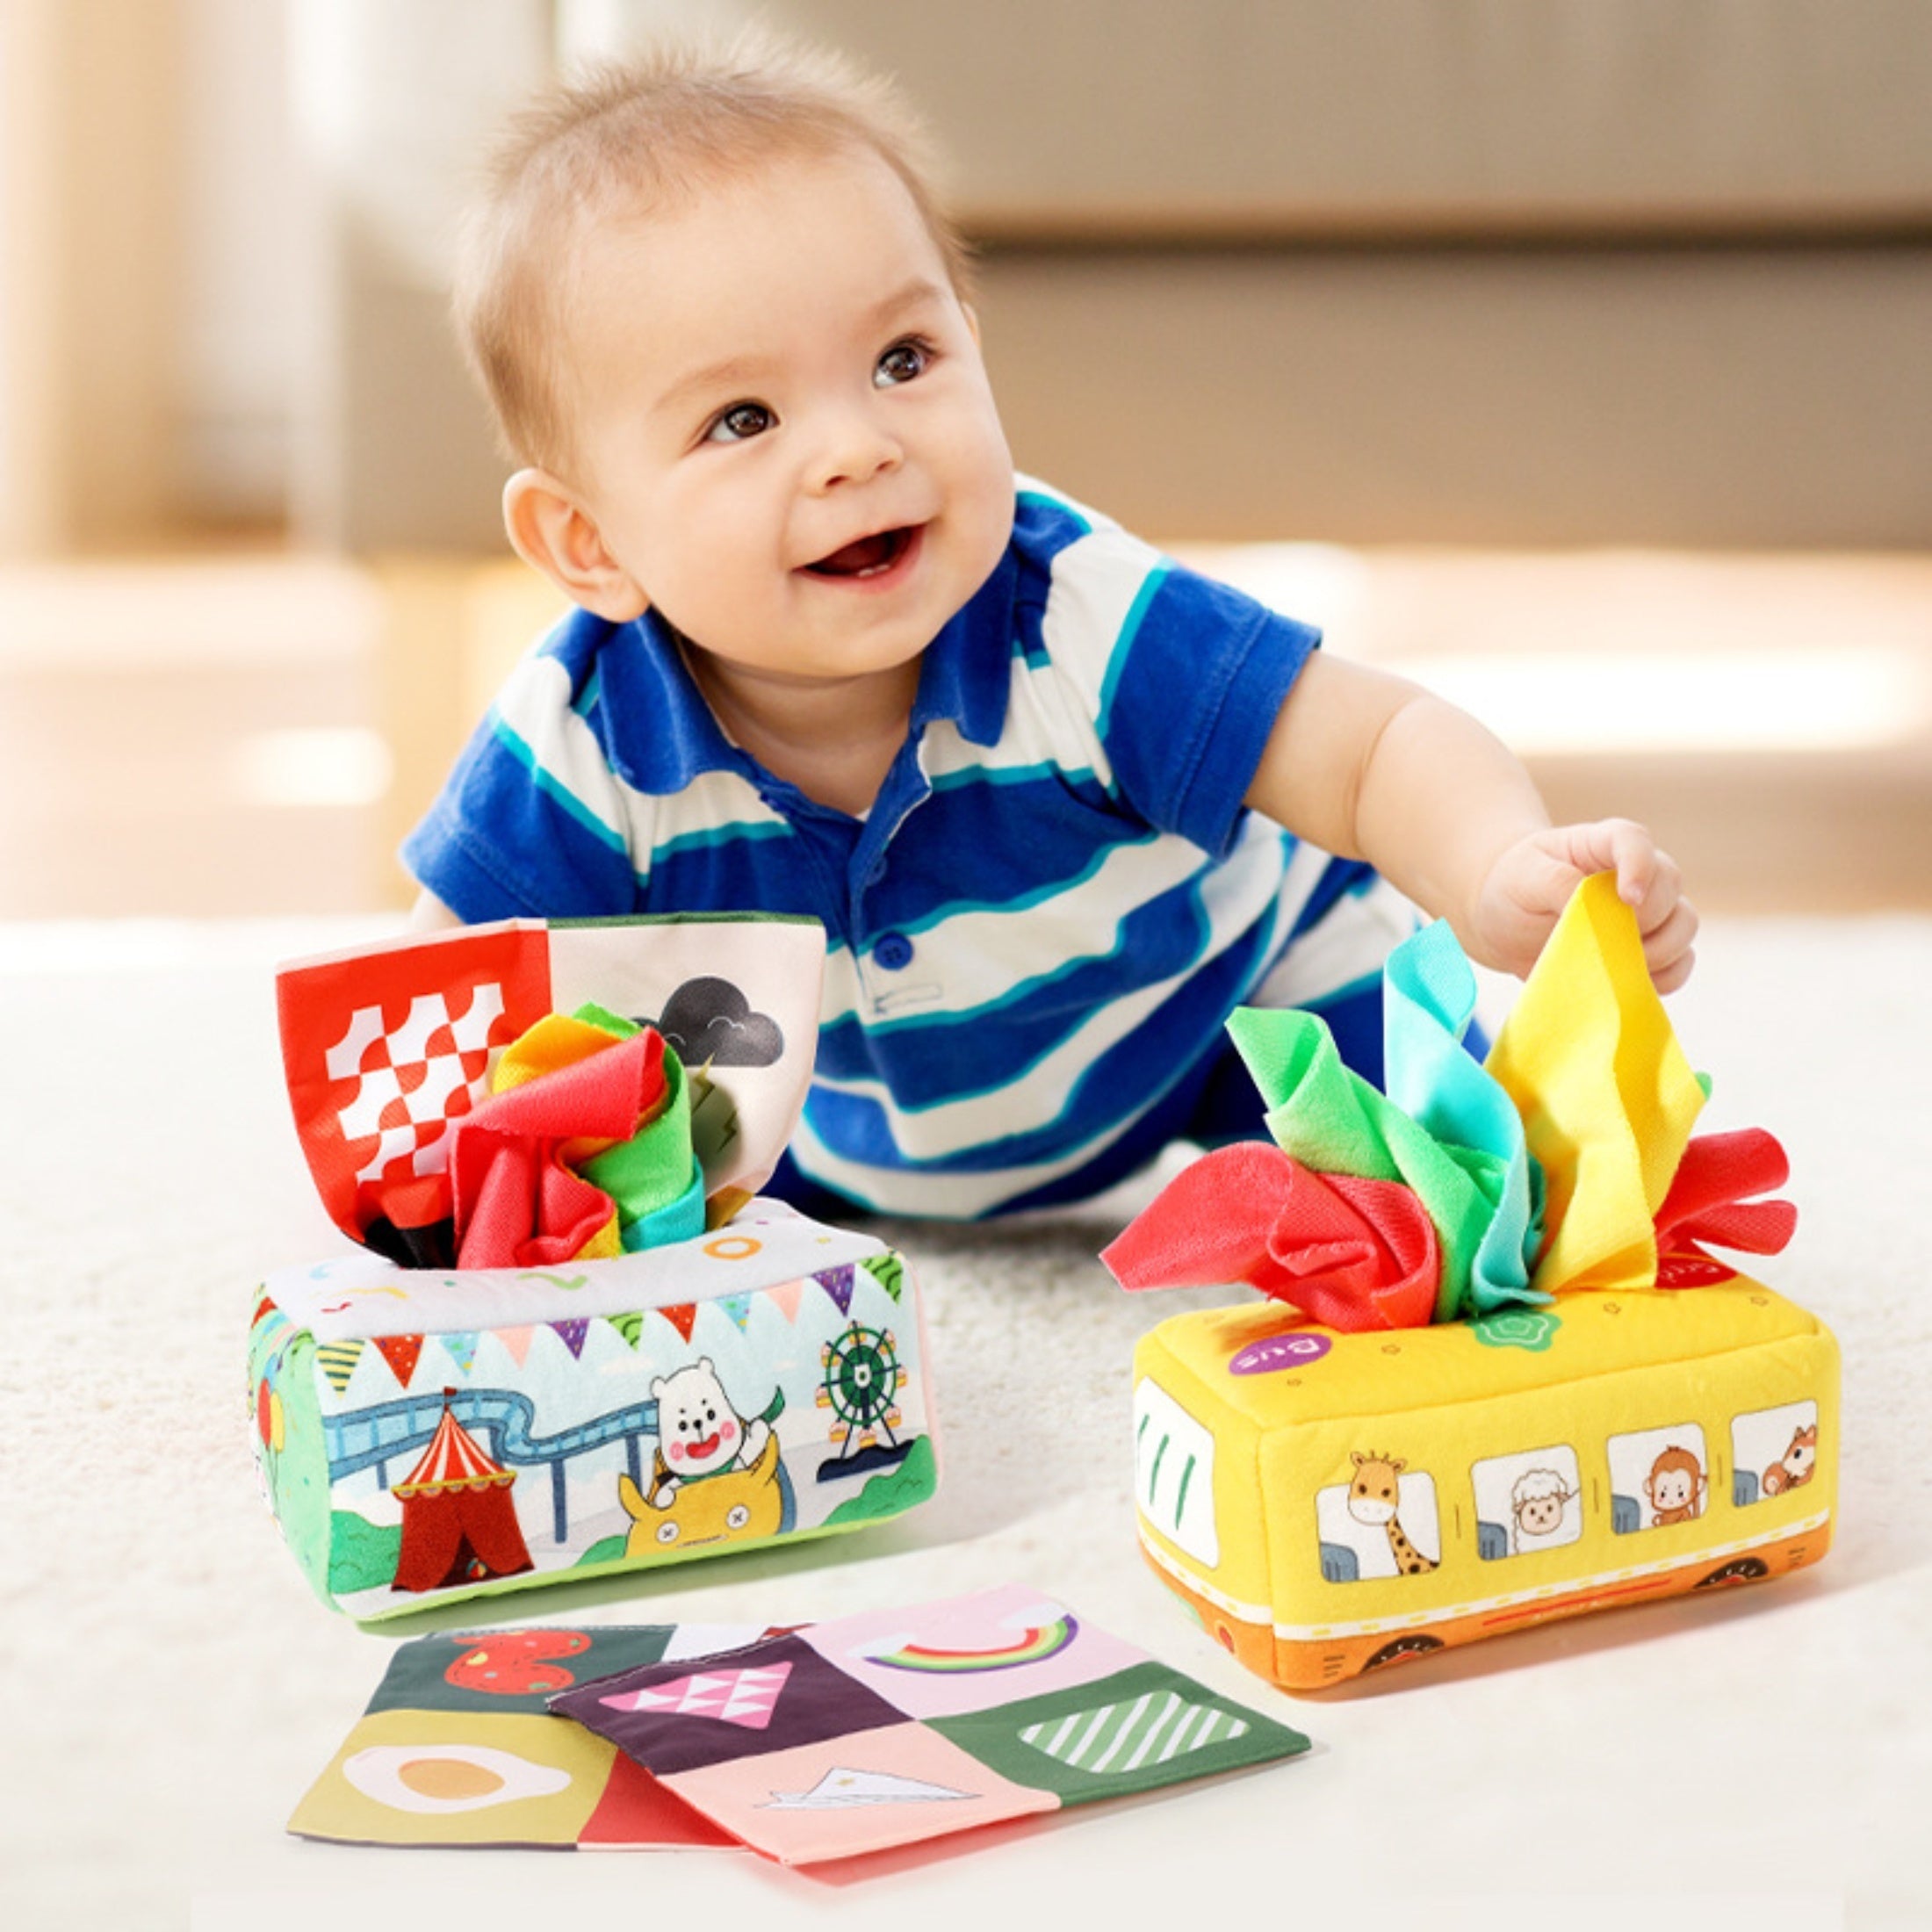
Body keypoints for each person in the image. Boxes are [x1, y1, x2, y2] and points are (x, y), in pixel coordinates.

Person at [405, 34, 1697, 1222]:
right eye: (743, 420)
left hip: (1228, 1014)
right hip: (838, 1137)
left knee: (1477, 1194)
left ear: (972, 340)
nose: (860, 448)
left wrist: (1491, 868)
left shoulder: (1079, 620)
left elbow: (1371, 748)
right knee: (639, 1171)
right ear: (593, 543)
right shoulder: (579, 745)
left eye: (903, 360)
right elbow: (441, 1002)